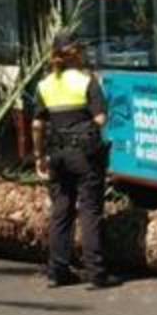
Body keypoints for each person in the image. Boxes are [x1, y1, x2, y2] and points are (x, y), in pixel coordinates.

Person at [32, 34, 121, 289]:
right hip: (84, 155)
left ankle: (58, 271)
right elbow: (102, 118)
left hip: (56, 154)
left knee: (61, 211)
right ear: (77, 53)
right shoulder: (87, 81)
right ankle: (96, 272)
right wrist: (84, 128)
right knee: (90, 210)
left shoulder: (45, 85)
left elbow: (37, 124)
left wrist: (39, 156)